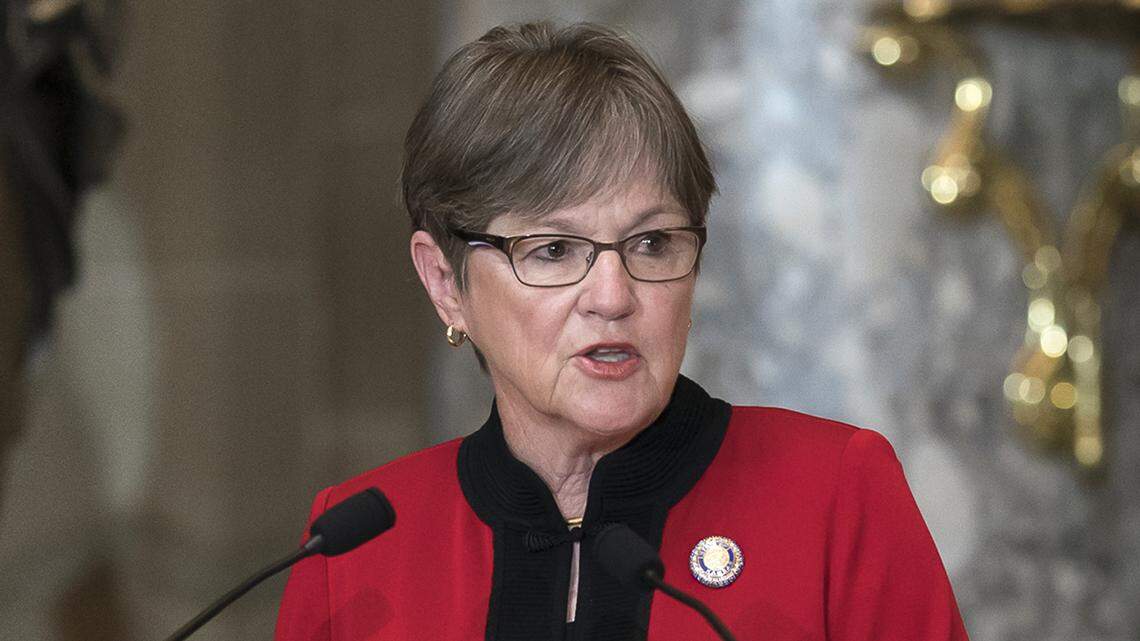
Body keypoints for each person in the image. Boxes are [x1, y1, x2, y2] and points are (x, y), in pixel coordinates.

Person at [275, 21, 969, 641]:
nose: (613, 296)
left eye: (653, 243)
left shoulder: (835, 494)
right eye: (553, 250)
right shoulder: (354, 549)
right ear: (445, 283)